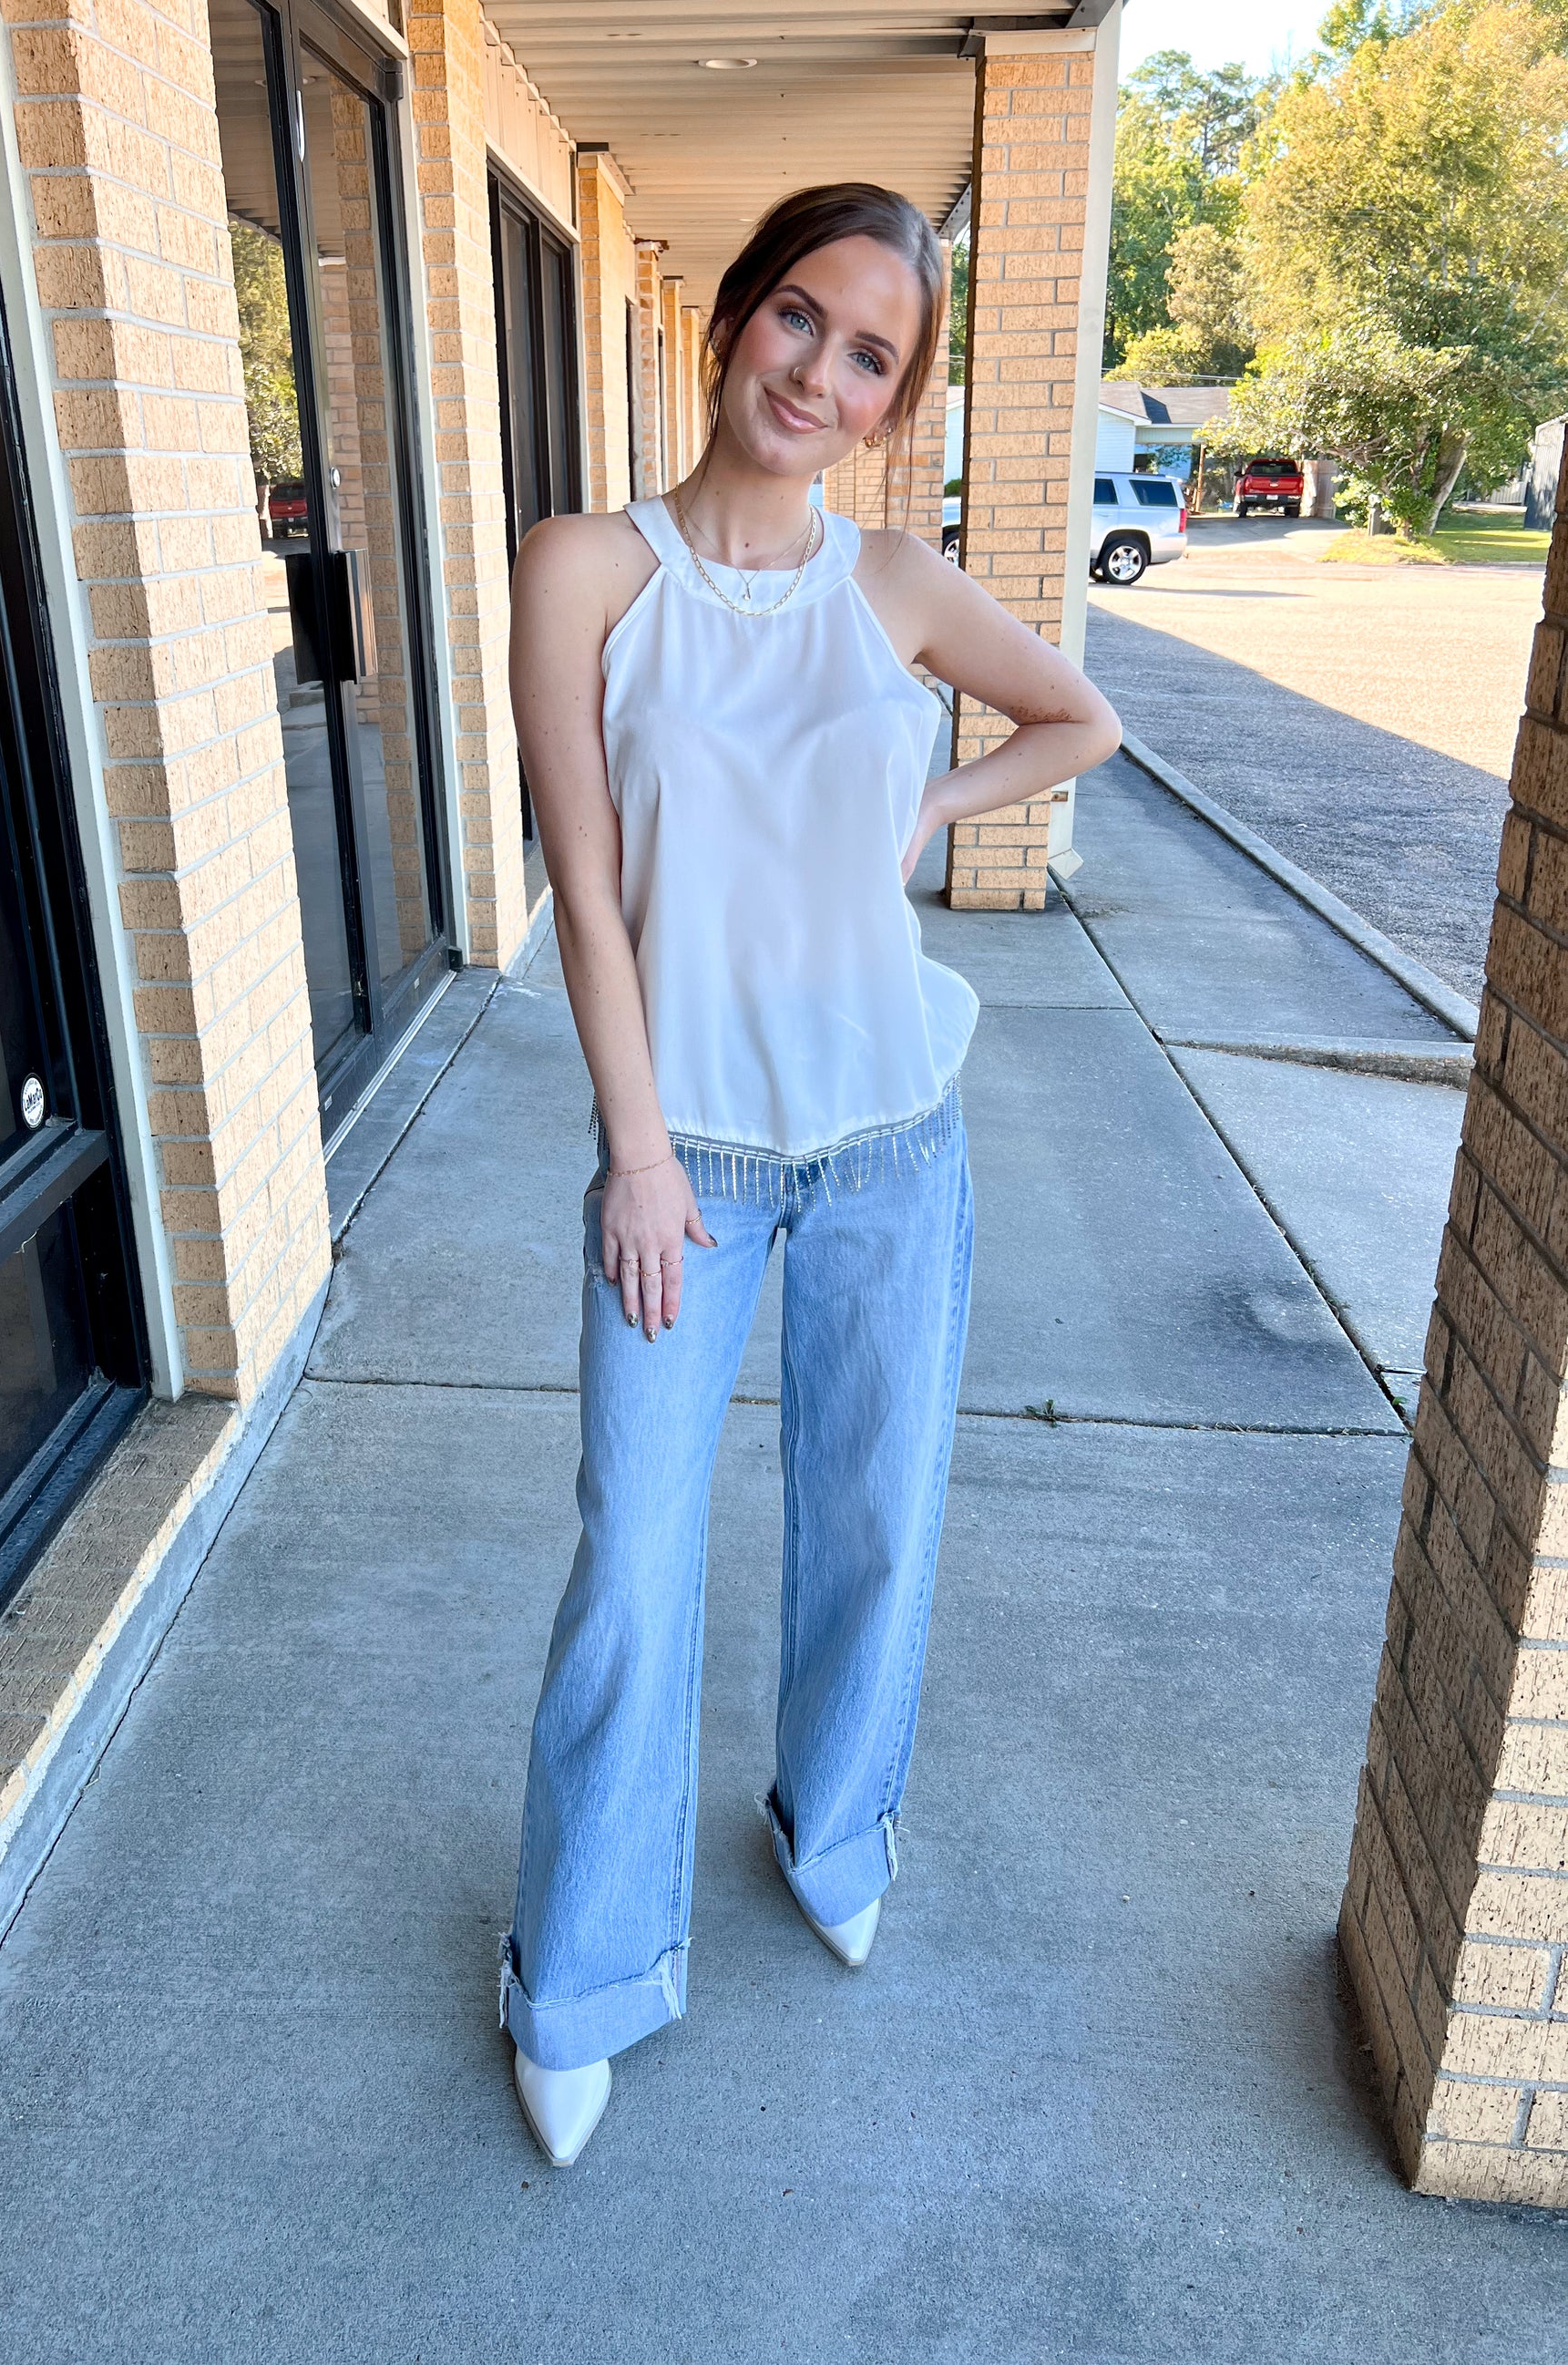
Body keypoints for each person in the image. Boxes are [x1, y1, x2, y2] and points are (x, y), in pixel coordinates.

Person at [499, 182, 1122, 2167]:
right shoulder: (587, 566)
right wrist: (630, 1153)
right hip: (686, 1162)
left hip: (886, 1146)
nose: (817, 370)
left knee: (872, 1525)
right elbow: (587, 892)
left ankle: (831, 1827)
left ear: (891, 400)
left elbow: (1078, 717)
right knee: (634, 1562)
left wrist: (922, 801)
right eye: (796, 318)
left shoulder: (898, 583)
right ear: (731, 324)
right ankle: (582, 1967)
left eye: (868, 354)